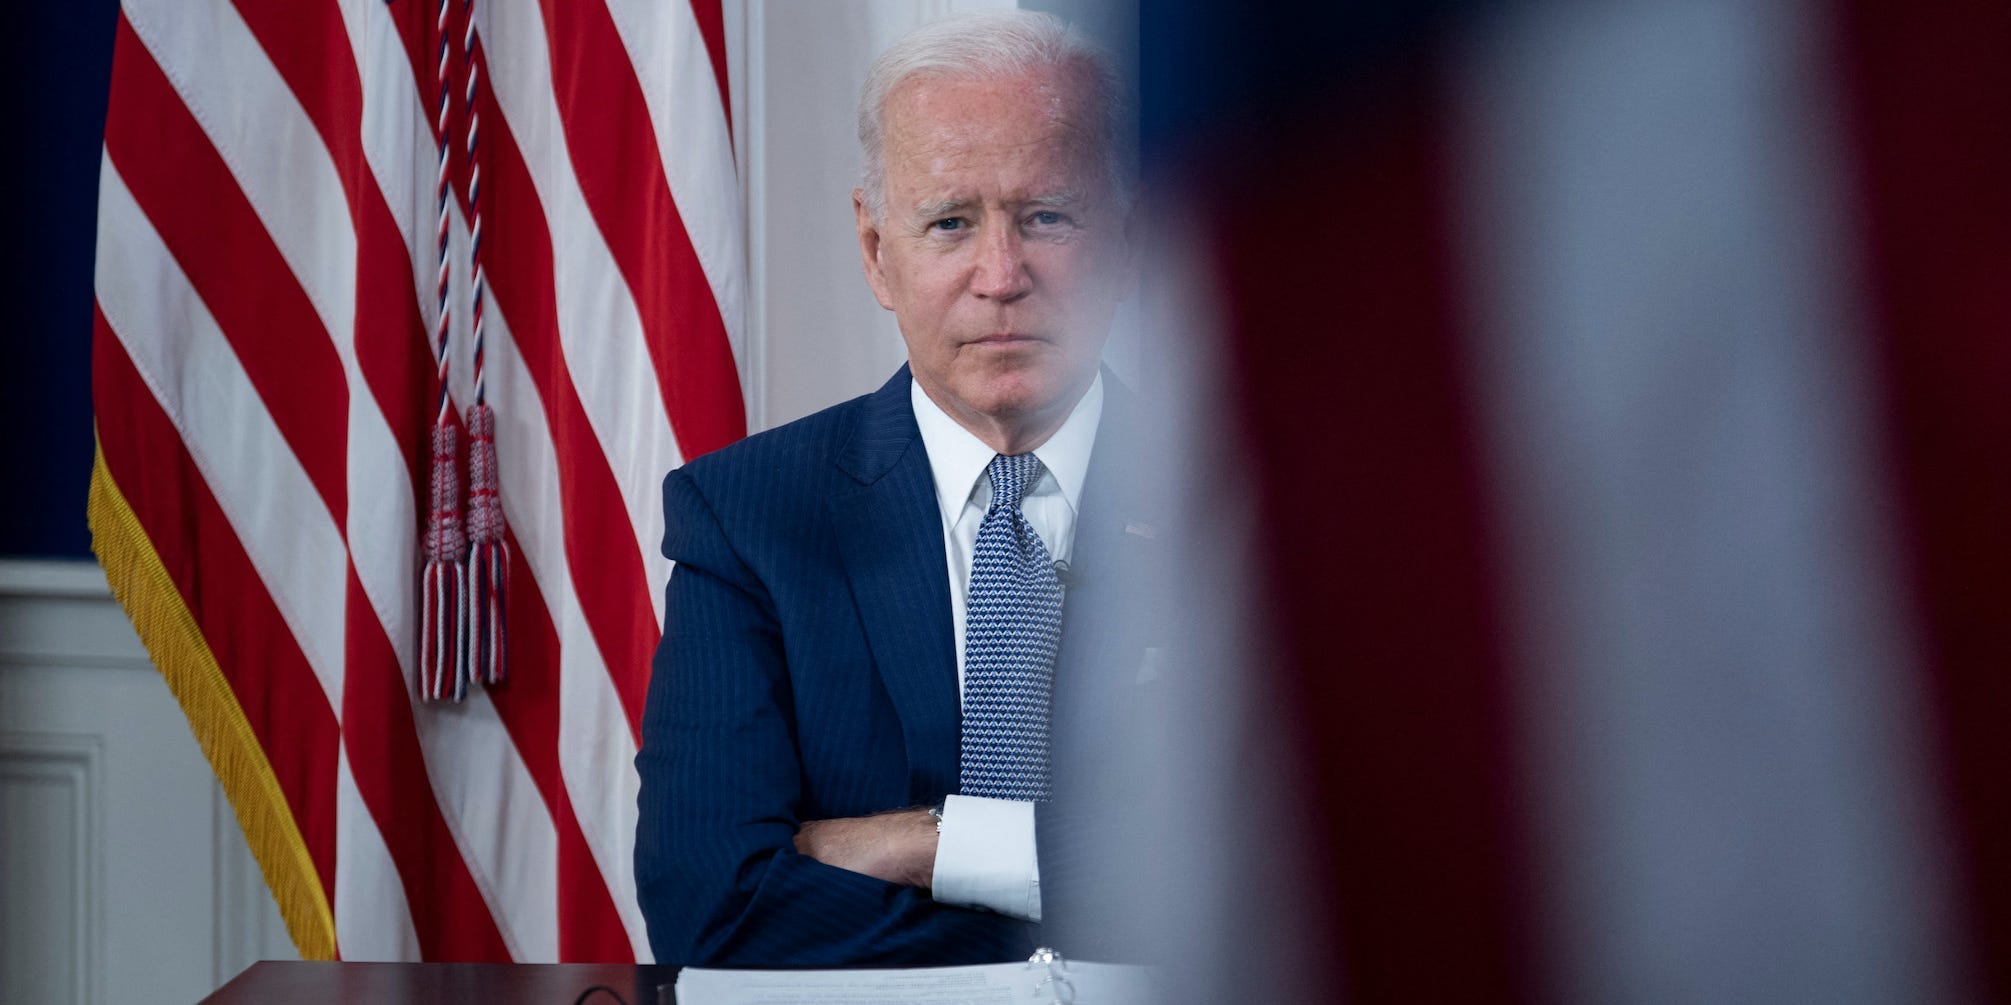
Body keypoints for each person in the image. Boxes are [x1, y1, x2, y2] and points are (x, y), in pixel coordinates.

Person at [634, 9, 1153, 967]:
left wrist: (927, 846)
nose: (1001, 275)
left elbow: (1290, 877)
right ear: (877, 250)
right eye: (950, 222)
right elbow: (709, 904)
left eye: (1047, 216)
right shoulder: (747, 514)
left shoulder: (1244, 503)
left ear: (1123, 239)